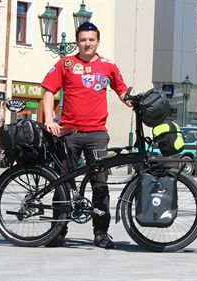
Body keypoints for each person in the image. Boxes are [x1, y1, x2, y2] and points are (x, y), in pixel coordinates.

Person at [41, 22, 132, 249]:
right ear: (77, 42)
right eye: (83, 40)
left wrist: (137, 102)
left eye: (91, 39)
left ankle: (101, 233)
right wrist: (49, 119)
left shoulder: (108, 66)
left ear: (97, 41)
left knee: (100, 184)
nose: (87, 43)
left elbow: (122, 91)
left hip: (97, 135)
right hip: (68, 133)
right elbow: (48, 90)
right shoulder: (66, 63)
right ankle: (57, 231)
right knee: (62, 183)